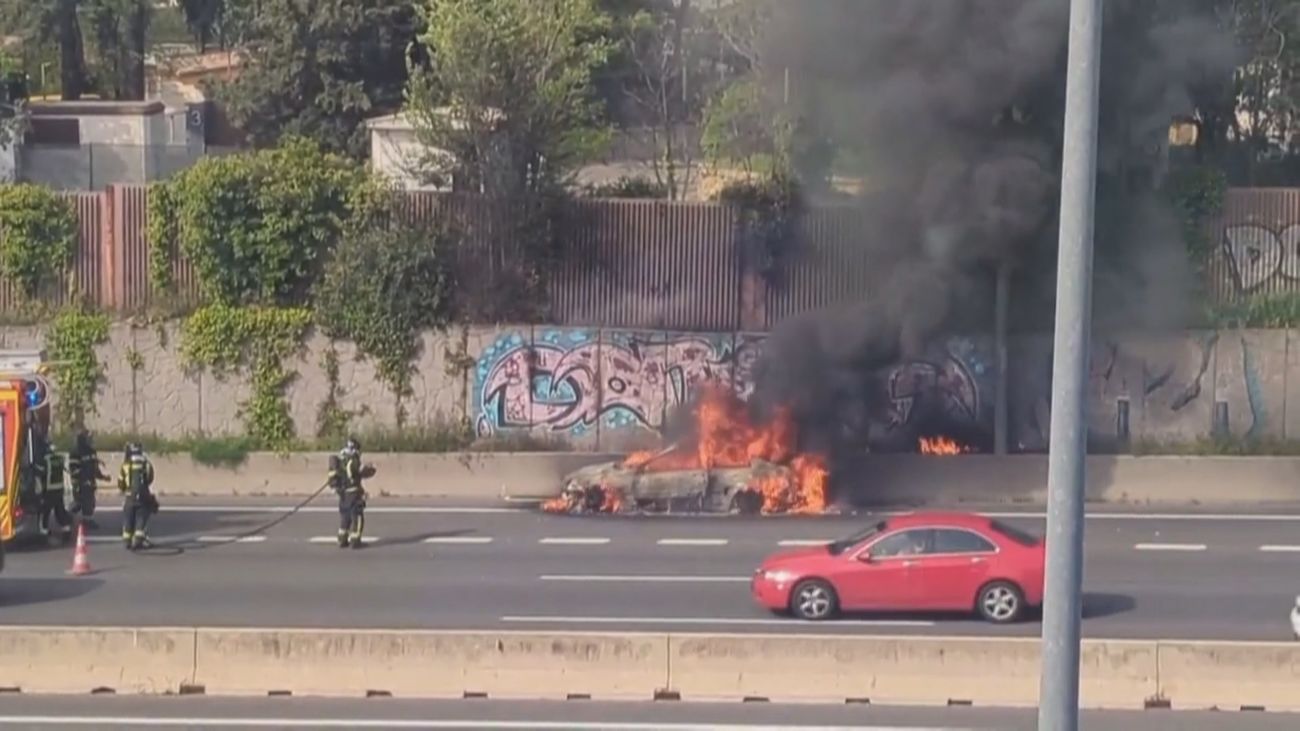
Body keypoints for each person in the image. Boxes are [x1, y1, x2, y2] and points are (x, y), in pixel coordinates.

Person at [32, 425, 73, 544]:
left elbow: (38, 472)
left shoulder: (44, 459)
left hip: (48, 491)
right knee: (60, 511)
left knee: (44, 512)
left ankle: (43, 532)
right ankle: (66, 529)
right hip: (59, 490)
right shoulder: (58, 458)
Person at [334, 438, 375, 549]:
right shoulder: (354, 461)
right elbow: (363, 472)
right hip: (354, 494)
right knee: (357, 516)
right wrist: (371, 468)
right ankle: (355, 540)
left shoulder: (340, 460)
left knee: (345, 517)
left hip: (343, 494)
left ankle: (342, 538)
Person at [67, 430, 110, 531]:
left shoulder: (91, 451)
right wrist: (82, 479)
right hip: (80, 483)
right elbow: (74, 469)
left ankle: (87, 520)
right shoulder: (75, 452)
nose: (90, 440)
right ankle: (67, 517)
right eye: (88, 438)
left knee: (90, 502)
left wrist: (103, 477)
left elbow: (94, 468)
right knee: (79, 503)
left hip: (90, 482)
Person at [117, 443, 157, 550]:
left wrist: (125, 489)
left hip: (129, 496)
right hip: (143, 496)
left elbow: (120, 482)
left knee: (128, 517)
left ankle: (127, 539)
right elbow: (150, 478)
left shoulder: (125, 465)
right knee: (142, 515)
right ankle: (139, 538)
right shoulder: (146, 464)